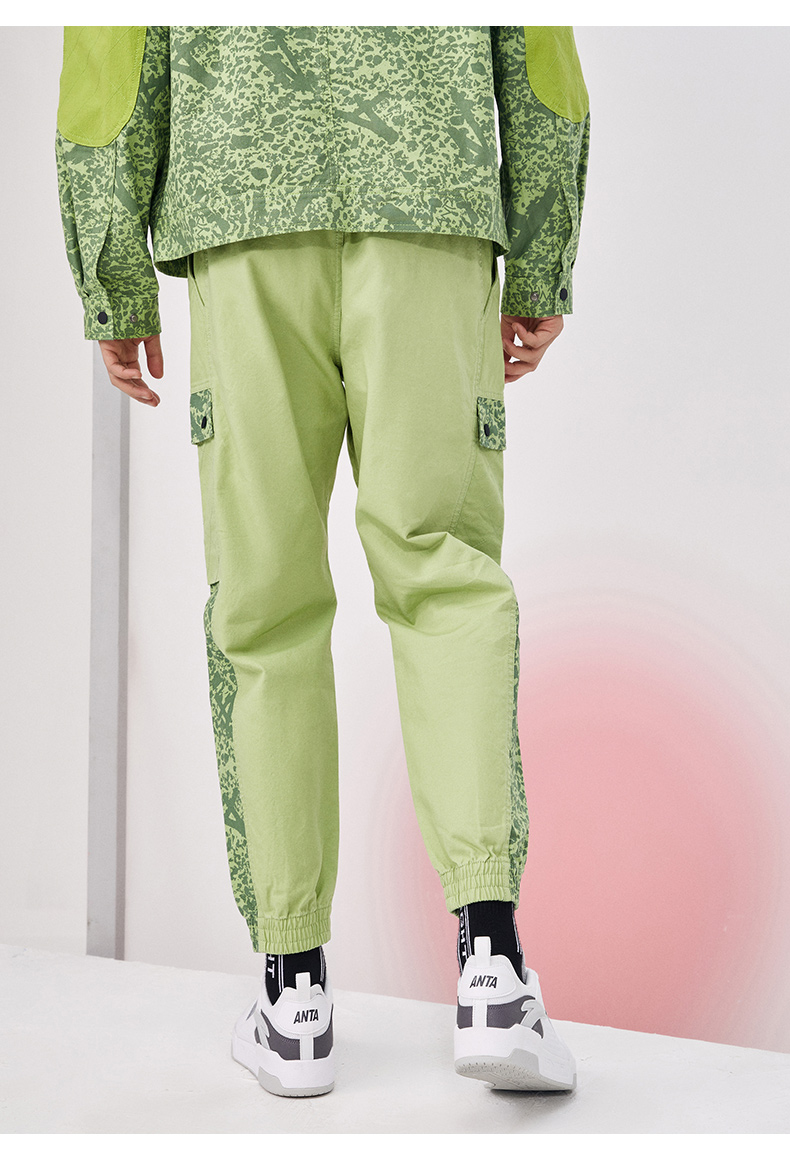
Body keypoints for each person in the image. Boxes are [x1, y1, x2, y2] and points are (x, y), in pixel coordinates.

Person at [55, 25, 590, 1098]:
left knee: (265, 600)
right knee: (442, 576)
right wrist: (541, 250)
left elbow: (110, 45)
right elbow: (539, 50)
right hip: (427, 200)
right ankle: (491, 966)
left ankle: (292, 994)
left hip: (242, 208)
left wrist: (113, 276)